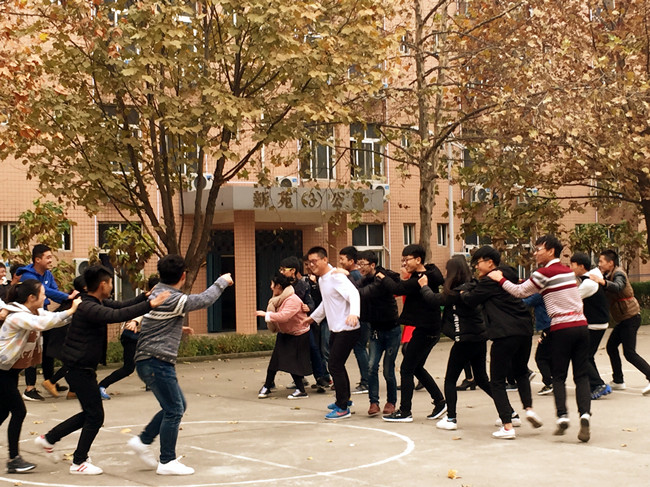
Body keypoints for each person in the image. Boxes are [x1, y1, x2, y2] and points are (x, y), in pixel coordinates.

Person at [34, 265, 170, 475]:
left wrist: (145, 296)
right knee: (95, 416)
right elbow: (117, 315)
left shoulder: (95, 301)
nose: (112, 286)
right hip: (78, 368)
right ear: (103, 284)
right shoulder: (88, 307)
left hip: (81, 367)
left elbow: (121, 305)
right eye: (110, 283)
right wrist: (150, 304)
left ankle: (49, 439)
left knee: (91, 414)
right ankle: (78, 461)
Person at [129, 255, 233, 476]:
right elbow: (204, 299)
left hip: (148, 360)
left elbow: (155, 319)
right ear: (183, 275)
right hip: (157, 362)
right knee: (174, 409)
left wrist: (177, 328)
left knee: (176, 406)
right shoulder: (173, 298)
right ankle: (167, 461)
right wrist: (222, 281)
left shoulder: (157, 292)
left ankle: (143, 440)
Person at [488, 235, 591, 442]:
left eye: (538, 249)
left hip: (561, 327)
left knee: (558, 375)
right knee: (581, 376)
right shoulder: (568, 272)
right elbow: (534, 286)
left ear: (551, 251)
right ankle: (585, 415)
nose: (535, 253)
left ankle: (562, 416)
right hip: (581, 325)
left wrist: (500, 279)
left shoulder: (543, 273)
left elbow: (519, 292)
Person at [460, 246, 542, 440]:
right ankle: (529, 409)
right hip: (524, 331)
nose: (476, 267)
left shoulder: (490, 280)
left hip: (504, 333)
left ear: (490, 262)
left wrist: (463, 292)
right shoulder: (510, 275)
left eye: (478, 263)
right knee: (521, 372)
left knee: (497, 381)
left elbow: (471, 300)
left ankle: (507, 426)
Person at [0, 280, 80, 474]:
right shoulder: (18, 316)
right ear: (31, 297)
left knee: (2, 412)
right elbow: (42, 324)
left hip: (8, 370)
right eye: (43, 294)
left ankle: (13, 459)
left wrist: (73, 312)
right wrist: (71, 310)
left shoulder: (33, 312)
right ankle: (13, 459)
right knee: (18, 411)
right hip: (0, 370)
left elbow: (53, 318)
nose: (45, 298)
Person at [419, 255, 492, 431]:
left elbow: (435, 299)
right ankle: (510, 413)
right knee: (482, 379)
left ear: (453, 272)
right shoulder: (472, 287)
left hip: (464, 340)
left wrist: (424, 287)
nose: (445, 273)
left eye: (447, 270)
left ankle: (451, 418)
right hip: (479, 339)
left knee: (450, 379)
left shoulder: (457, 293)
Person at [379, 244, 446, 423]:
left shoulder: (421, 279)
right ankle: (440, 402)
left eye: (407, 260)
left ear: (418, 259)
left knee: (407, 368)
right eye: (403, 260)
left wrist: (382, 276)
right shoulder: (427, 274)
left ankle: (405, 411)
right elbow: (402, 284)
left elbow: (397, 288)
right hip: (427, 328)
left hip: (426, 329)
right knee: (415, 367)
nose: (404, 263)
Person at [306, 246, 360, 420]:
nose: (311, 265)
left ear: (324, 260)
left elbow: (353, 294)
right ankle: (344, 400)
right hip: (336, 328)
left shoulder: (336, 276)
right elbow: (326, 303)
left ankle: (342, 408)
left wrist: (354, 313)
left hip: (348, 328)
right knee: (337, 365)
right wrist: (313, 318)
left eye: (314, 261)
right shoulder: (323, 279)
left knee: (334, 365)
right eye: (309, 262)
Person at [18, 245, 78, 401]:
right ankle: (29, 388)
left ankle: (50, 381)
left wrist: (66, 299)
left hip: (42, 314)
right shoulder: (27, 276)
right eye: (48, 257)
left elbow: (54, 293)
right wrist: (67, 297)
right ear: (38, 259)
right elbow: (44, 290)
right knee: (32, 351)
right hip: (30, 316)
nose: (51, 260)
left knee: (47, 350)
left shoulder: (48, 274)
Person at [590, 249, 650, 395]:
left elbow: (618, 286)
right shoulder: (607, 274)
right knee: (611, 347)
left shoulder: (619, 273)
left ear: (611, 263)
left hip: (631, 317)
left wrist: (602, 282)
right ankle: (618, 380)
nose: (599, 264)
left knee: (629, 353)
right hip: (623, 319)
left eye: (601, 261)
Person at [98, 275, 160, 400]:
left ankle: (151, 383)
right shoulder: (149, 301)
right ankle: (102, 385)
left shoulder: (160, 300)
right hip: (131, 336)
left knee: (153, 357)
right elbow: (142, 312)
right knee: (128, 368)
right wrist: (134, 322)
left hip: (141, 337)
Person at [355, 250, 401, 417]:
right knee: (371, 367)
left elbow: (363, 293)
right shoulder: (364, 280)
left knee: (388, 369)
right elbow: (356, 289)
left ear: (372, 265)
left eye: (363, 264)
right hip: (375, 330)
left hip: (392, 330)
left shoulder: (382, 279)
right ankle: (373, 402)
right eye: (358, 264)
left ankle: (391, 402)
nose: (360, 267)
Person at [256, 273, 312, 399]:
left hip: (298, 335)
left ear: (279, 286)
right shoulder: (279, 298)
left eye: (272, 284)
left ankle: (301, 390)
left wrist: (266, 314)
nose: (271, 287)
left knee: (292, 363)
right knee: (274, 362)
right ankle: (267, 386)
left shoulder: (292, 299)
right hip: (285, 333)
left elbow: (284, 316)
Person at [570, 252, 611, 399]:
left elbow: (572, 299)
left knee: (581, 356)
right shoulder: (589, 277)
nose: (570, 268)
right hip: (597, 322)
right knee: (588, 355)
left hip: (595, 324)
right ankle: (595, 384)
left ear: (581, 266)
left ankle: (598, 384)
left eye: (572, 265)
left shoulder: (588, 283)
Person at [338, 246, 369, 394]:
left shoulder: (354, 276)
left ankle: (366, 381)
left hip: (360, 318)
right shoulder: (354, 275)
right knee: (359, 349)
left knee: (360, 348)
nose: (340, 262)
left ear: (351, 261)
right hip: (359, 318)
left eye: (342, 259)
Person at [522, 293, 553, 395]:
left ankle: (549, 382)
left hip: (549, 326)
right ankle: (555, 379)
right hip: (553, 326)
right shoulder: (550, 291)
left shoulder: (540, 293)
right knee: (551, 355)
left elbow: (525, 303)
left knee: (541, 357)